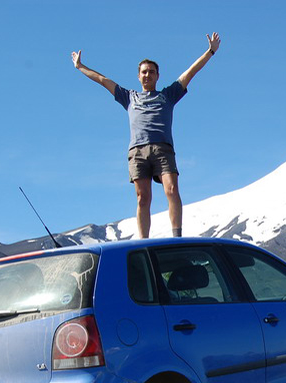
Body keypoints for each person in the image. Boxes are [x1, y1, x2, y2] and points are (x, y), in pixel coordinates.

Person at [71, 33, 221, 238]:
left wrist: (210, 51)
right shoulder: (129, 97)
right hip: (137, 151)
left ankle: (176, 236)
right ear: (138, 76)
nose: (147, 75)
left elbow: (190, 72)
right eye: (144, 72)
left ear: (158, 76)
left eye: (151, 72)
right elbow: (102, 80)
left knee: (171, 189)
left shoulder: (168, 95)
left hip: (162, 148)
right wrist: (80, 66)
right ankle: (143, 240)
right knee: (143, 198)